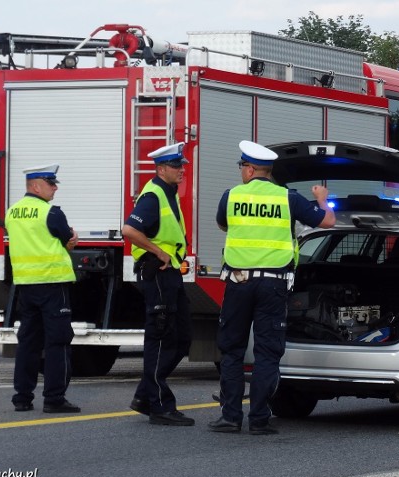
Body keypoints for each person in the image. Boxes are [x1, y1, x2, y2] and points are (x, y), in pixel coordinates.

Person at [208, 140, 335, 435]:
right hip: (274, 286)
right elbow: (327, 221)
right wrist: (322, 197)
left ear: (251, 169)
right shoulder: (287, 198)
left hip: (238, 283)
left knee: (231, 349)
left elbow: (222, 225)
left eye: (242, 167)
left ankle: (230, 417)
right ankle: (260, 419)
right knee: (266, 352)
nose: (241, 171)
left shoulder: (231, 196)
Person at [123, 142, 194, 426]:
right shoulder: (153, 195)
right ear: (161, 168)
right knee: (162, 339)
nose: (181, 171)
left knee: (181, 338)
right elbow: (129, 230)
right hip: (159, 274)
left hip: (171, 274)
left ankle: (144, 395)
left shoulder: (168, 192)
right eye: (176, 167)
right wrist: (158, 251)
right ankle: (160, 406)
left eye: (182, 166)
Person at [5, 164, 80, 413]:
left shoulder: (12, 212)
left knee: (28, 342)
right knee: (58, 342)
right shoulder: (51, 212)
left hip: (26, 286)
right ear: (36, 186)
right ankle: (54, 399)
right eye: (51, 183)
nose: (55, 188)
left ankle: (22, 398)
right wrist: (71, 243)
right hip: (52, 284)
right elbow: (66, 240)